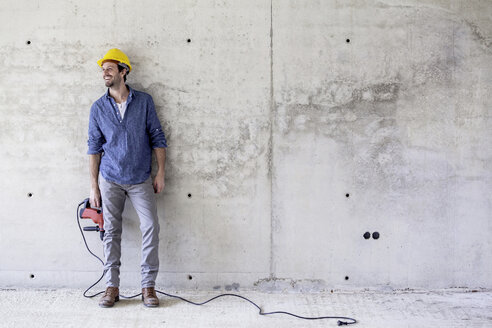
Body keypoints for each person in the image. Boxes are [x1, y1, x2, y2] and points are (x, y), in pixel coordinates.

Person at [87, 48, 167, 308]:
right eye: (103, 69)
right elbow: (93, 148)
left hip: (140, 178)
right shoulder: (98, 108)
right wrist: (93, 187)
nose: (104, 73)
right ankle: (112, 287)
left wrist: (160, 172)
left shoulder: (144, 101)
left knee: (151, 226)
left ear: (124, 71)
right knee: (111, 232)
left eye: (110, 68)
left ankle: (148, 287)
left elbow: (158, 138)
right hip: (110, 179)